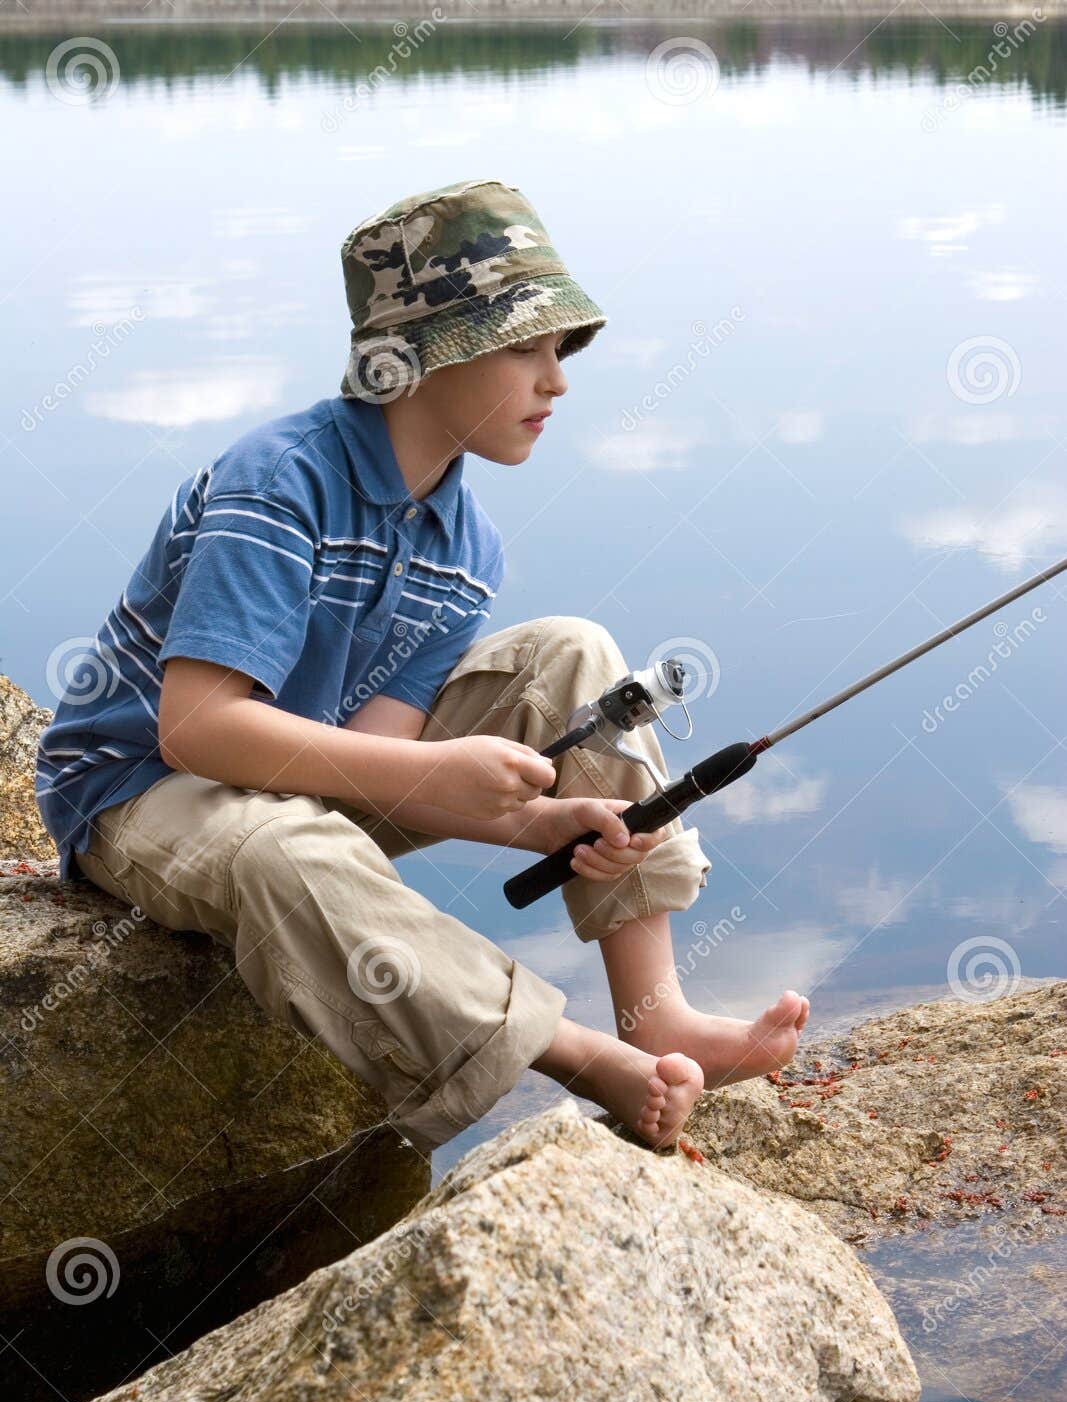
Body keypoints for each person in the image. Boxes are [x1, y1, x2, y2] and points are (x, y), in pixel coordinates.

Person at [35, 177, 809, 1159]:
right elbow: (197, 728)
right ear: (416, 361)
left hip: (298, 781)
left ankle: (653, 1011)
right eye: (523, 348)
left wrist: (545, 822)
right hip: (142, 788)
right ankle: (561, 1049)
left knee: (570, 652)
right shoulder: (280, 479)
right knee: (284, 851)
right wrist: (446, 780)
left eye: (557, 349)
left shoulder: (466, 542)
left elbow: (375, 762)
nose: (556, 380)